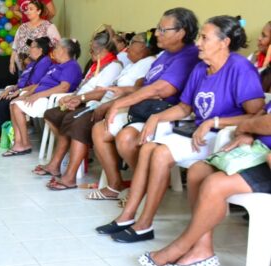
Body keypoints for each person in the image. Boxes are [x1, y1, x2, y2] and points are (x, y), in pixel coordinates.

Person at [96, 15, 265, 243]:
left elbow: (257, 115)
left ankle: (144, 223)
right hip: (199, 135)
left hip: (225, 138)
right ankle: (128, 216)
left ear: (224, 42)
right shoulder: (200, 68)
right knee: (146, 148)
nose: (198, 43)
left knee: (160, 152)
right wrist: (156, 117)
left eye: (205, 38)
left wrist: (215, 122)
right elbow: (185, 107)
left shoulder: (240, 68)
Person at [139, 100, 271, 266]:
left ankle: (179, 247)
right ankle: (203, 249)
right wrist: (249, 132)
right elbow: (262, 114)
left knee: (214, 185)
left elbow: (266, 123)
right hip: (257, 151)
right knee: (197, 171)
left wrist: (247, 126)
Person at [89, 7, 201, 201]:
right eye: (158, 28)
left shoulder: (188, 55)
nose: (157, 33)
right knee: (100, 129)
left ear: (181, 32)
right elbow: (147, 85)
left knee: (125, 138)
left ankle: (145, 189)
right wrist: (124, 92)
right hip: (146, 109)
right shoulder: (165, 54)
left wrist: (119, 103)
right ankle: (116, 184)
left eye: (163, 30)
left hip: (168, 114)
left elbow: (162, 89)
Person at [41, 30, 159, 192]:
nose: (128, 47)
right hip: (102, 105)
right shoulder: (132, 64)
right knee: (68, 117)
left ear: (147, 47)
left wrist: (90, 102)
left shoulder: (147, 62)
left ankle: (70, 176)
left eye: (134, 43)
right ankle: (62, 165)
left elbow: (137, 89)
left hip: (117, 108)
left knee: (77, 121)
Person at [39, 31, 126, 189]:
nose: (90, 51)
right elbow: (84, 87)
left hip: (96, 106)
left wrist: (80, 99)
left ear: (100, 49)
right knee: (52, 114)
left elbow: (100, 93)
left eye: (92, 49)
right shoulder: (96, 65)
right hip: (83, 102)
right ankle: (57, 162)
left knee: (74, 122)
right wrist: (72, 96)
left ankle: (70, 176)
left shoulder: (113, 66)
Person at [3, 38, 83, 157]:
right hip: (41, 96)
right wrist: (27, 93)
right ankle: (19, 142)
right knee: (13, 103)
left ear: (64, 50)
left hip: (51, 100)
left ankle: (25, 144)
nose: (53, 50)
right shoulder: (56, 65)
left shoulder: (71, 66)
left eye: (56, 48)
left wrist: (37, 95)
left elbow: (63, 88)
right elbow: (40, 84)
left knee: (16, 106)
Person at [0, 37, 52, 143]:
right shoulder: (32, 63)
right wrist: (11, 88)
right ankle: (0, 135)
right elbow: (22, 81)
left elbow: (36, 84)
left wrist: (18, 91)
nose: (29, 50)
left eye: (31, 47)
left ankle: (9, 138)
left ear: (40, 49)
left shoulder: (45, 62)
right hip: (20, 89)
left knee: (3, 104)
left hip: (29, 93)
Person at [9, 0, 60, 75]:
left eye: (31, 9)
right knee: (22, 85)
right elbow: (15, 46)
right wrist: (11, 62)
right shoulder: (22, 27)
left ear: (38, 11)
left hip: (40, 70)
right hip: (22, 69)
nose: (28, 12)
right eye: (27, 9)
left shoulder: (47, 26)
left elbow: (58, 45)